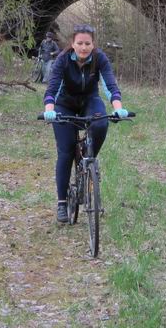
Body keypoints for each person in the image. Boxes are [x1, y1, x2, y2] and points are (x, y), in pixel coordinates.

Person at [42, 24, 129, 222]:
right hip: (65, 104)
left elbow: (110, 85)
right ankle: (62, 202)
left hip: (90, 101)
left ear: (93, 44)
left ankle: (86, 160)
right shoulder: (63, 60)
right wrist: (50, 110)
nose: (83, 47)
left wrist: (117, 107)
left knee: (100, 124)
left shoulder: (100, 59)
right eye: (79, 43)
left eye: (87, 43)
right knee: (65, 151)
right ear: (72, 44)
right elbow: (53, 88)